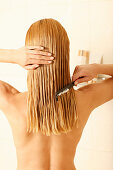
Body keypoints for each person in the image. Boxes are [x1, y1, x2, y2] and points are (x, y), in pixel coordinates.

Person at [0, 18, 113, 170]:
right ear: (65, 54)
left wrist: (12, 56)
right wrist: (96, 68)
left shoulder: (11, 101)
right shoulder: (84, 100)